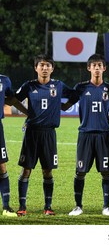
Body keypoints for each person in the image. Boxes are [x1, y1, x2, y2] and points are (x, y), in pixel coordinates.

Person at [15, 54, 76, 216]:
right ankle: (22, 206)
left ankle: (48, 207)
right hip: (32, 133)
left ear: (52, 69)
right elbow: (13, 100)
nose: (44, 68)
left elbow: (75, 95)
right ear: (36, 68)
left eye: (48, 65)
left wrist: (64, 107)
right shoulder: (29, 85)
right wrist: (27, 113)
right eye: (41, 65)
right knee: (26, 170)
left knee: (47, 171)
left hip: (49, 133)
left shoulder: (59, 85)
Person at [66, 54, 109, 217]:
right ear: (89, 68)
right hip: (85, 135)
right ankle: (78, 206)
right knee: (80, 171)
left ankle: (106, 206)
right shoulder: (80, 88)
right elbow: (66, 105)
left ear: (104, 68)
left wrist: (105, 119)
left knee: (106, 172)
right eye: (93, 65)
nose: (96, 68)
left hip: (103, 135)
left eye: (99, 65)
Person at [0, 74, 27, 217]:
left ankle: (6, 207)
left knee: (1, 165)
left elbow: (12, 100)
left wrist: (29, 112)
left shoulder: (4, 80)